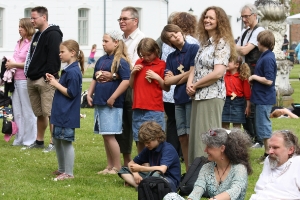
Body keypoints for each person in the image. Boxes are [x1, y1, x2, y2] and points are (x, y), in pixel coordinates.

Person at [186, 6, 236, 166]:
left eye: (211, 18)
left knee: (207, 138)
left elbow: (218, 72)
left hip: (212, 95)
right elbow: (195, 67)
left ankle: (206, 173)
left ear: (219, 21)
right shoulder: (205, 43)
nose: (207, 20)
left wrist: (195, 85)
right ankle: (194, 173)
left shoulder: (222, 43)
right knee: (196, 137)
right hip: (199, 94)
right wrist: (190, 84)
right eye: (205, 17)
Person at [99, 6, 145, 167]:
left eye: (125, 19)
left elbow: (136, 67)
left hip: (133, 87)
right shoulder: (119, 39)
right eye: (120, 19)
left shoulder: (141, 40)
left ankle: (138, 160)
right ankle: (124, 159)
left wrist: (114, 75)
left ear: (135, 20)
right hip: (117, 87)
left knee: (131, 122)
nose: (121, 22)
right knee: (121, 124)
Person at [87, 30, 131, 174]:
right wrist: (89, 93)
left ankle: (117, 166)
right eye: (103, 41)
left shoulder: (120, 61)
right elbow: (94, 77)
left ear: (116, 42)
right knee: (105, 135)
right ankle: (109, 165)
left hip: (112, 104)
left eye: (106, 41)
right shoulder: (101, 59)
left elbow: (126, 81)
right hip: (100, 102)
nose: (103, 44)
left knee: (110, 135)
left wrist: (113, 97)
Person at [24, 6, 63, 152]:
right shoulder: (37, 34)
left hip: (45, 79)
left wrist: (49, 75)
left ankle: (54, 143)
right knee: (39, 113)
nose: (31, 21)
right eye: (31, 18)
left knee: (50, 112)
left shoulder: (53, 34)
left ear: (44, 17)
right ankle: (39, 141)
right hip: (33, 78)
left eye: (34, 18)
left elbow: (54, 56)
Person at [161, 24, 199, 171]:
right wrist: (183, 75)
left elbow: (193, 72)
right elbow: (167, 82)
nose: (175, 35)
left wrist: (175, 77)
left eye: (176, 32)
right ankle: (188, 170)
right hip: (178, 99)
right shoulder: (171, 57)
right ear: (169, 41)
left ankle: (195, 168)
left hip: (190, 96)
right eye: (171, 35)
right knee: (182, 135)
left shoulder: (193, 49)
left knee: (191, 134)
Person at [45, 39, 84, 180]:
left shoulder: (74, 71)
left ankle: (69, 173)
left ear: (72, 53)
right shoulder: (68, 69)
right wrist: (54, 80)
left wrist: (55, 83)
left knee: (66, 141)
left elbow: (71, 92)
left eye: (62, 52)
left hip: (67, 113)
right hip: (60, 111)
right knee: (57, 140)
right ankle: (62, 169)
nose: (60, 54)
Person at [187, 128, 252, 200]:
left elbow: (235, 190)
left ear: (222, 148)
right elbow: (198, 188)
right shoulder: (206, 167)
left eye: (209, 147)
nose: (205, 150)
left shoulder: (240, 168)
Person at [129, 38, 169, 153]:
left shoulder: (161, 65)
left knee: (154, 138)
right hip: (138, 107)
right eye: (143, 55)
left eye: (149, 55)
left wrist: (157, 77)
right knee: (139, 138)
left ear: (156, 50)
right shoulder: (138, 63)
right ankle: (142, 163)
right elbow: (132, 85)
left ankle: (155, 163)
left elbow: (166, 88)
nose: (146, 58)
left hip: (154, 108)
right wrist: (133, 74)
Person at [118, 121, 181, 192]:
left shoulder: (167, 149)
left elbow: (161, 169)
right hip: (153, 176)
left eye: (148, 142)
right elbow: (131, 164)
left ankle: (143, 185)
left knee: (155, 176)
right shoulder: (148, 148)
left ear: (158, 138)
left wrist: (140, 169)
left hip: (168, 180)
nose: (146, 145)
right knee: (124, 170)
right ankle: (139, 186)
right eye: (144, 142)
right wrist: (135, 174)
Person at [236, 4, 265, 148]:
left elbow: (245, 50)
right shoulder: (245, 32)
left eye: (246, 16)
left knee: (252, 105)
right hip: (245, 71)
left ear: (255, 15)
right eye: (242, 17)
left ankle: (258, 139)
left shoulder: (259, 30)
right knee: (245, 104)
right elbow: (239, 50)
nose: (244, 19)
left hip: (254, 71)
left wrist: (238, 47)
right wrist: (239, 48)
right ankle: (250, 136)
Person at [4, 18, 37, 146]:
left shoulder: (31, 44)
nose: (19, 29)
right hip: (14, 80)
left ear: (28, 28)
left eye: (22, 27)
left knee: (28, 110)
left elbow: (30, 63)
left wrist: (14, 64)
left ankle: (30, 139)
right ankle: (19, 137)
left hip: (25, 79)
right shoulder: (18, 42)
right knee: (17, 110)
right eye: (19, 26)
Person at [249, 30, 277, 163]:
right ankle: (267, 153)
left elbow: (269, 80)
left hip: (264, 98)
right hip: (261, 97)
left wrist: (254, 77)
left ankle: (269, 154)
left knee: (264, 126)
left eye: (258, 41)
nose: (257, 43)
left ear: (262, 42)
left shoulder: (268, 58)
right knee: (261, 125)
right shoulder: (264, 55)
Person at [250, 130, 300, 199]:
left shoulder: (297, 163)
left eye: (275, 148)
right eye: (269, 147)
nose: (270, 151)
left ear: (290, 150)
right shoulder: (270, 159)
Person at [222, 55, 251, 129]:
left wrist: (248, 106)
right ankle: (225, 140)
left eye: (229, 62)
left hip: (239, 102)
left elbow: (247, 93)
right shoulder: (223, 75)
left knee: (237, 126)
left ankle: (236, 140)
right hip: (225, 101)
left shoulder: (242, 76)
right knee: (224, 124)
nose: (226, 63)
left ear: (236, 65)